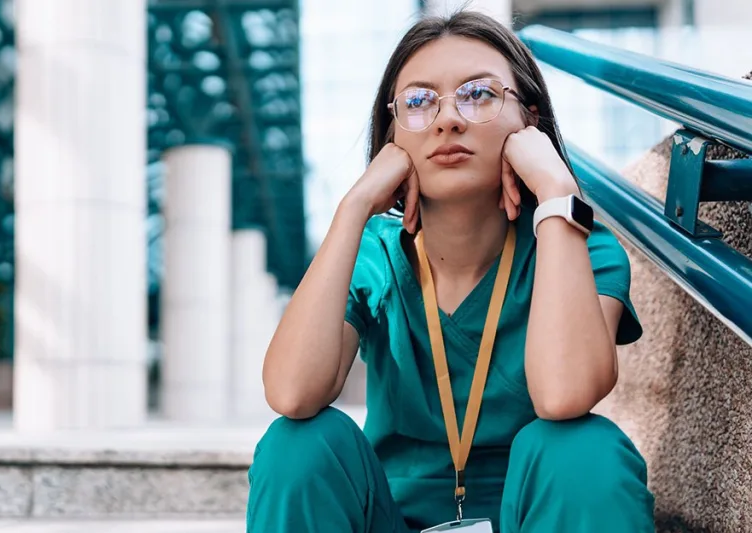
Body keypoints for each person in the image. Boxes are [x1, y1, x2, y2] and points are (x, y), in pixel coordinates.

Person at [246, 10, 655, 533]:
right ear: (392, 135)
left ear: (529, 121)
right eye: (417, 102)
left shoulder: (575, 243)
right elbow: (291, 393)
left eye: (478, 94)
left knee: (584, 448)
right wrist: (353, 209)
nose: (447, 120)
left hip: (533, 517)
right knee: (296, 446)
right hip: (390, 519)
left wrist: (556, 195)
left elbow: (564, 395)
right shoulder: (375, 254)